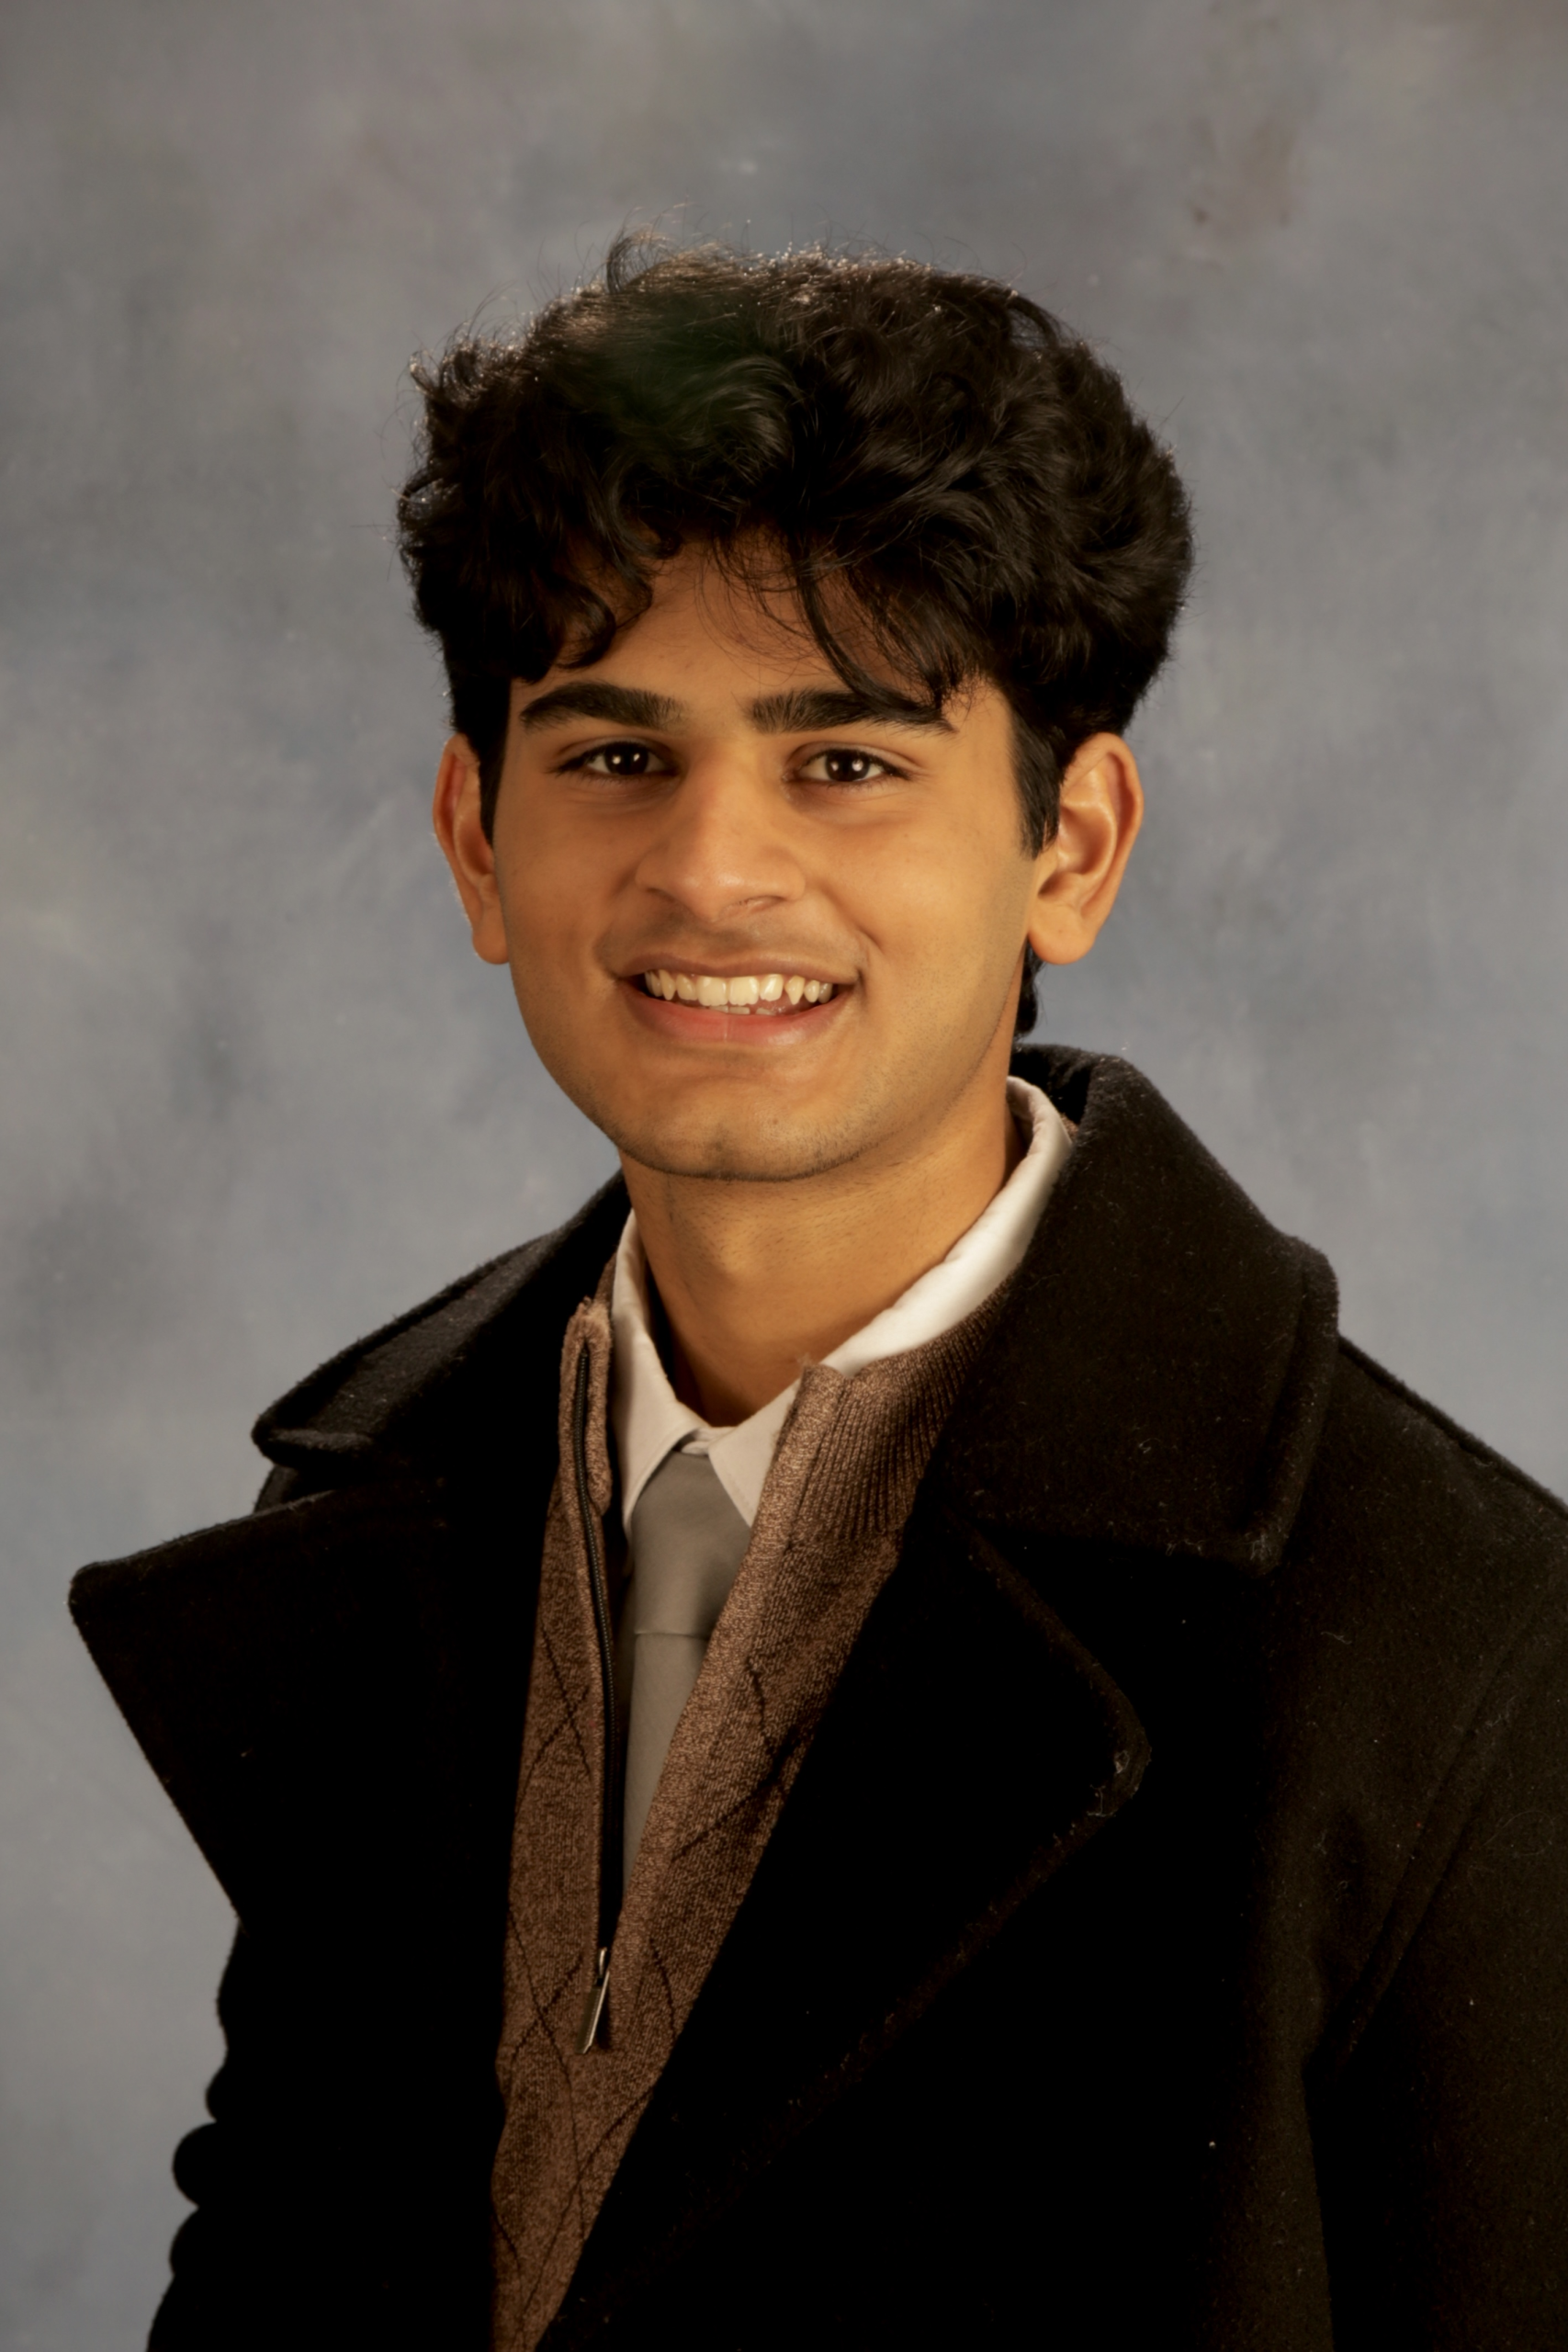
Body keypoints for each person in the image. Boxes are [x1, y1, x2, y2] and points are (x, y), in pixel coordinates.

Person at [73, 237, 1568, 2351]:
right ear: (476, 839)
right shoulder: (372, 1530)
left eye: (844, 760)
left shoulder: (1455, 1637)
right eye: (614, 756)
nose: (710, 868)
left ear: (1070, 845)